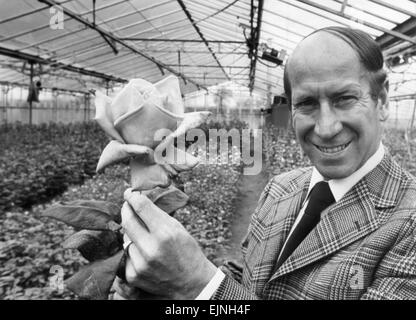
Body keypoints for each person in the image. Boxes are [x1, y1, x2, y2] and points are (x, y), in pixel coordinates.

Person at [116, 26, 416, 300]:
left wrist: (200, 284)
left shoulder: (408, 225)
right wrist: (164, 289)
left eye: (345, 98)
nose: (326, 128)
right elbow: (243, 278)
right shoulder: (280, 188)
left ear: (383, 101)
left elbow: (216, 292)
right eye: (307, 103)